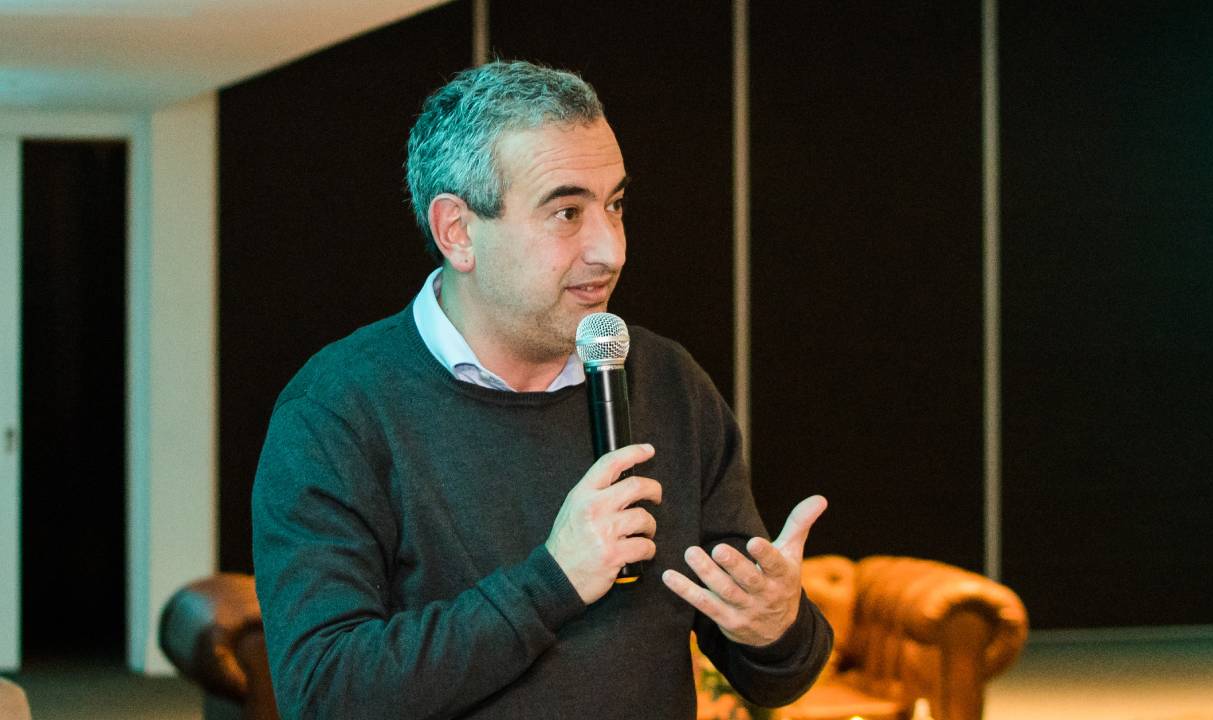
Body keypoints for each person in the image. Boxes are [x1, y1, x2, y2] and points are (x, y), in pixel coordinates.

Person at [252, 60, 832, 720]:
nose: (610, 250)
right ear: (457, 232)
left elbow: (771, 676)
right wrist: (551, 582)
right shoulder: (336, 411)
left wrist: (776, 629)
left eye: (614, 206)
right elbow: (324, 693)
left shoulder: (668, 382)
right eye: (566, 213)